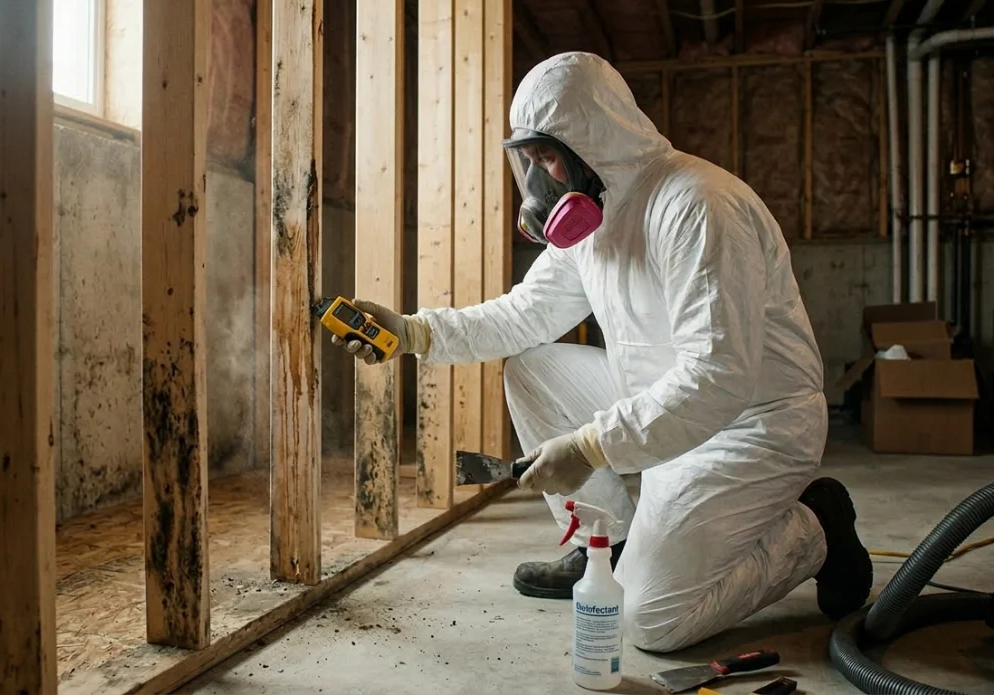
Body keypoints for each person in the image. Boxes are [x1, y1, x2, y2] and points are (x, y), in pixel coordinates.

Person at [333, 51, 873, 653]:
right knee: (534, 368)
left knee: (650, 622)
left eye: (546, 157)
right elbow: (525, 314)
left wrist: (591, 446)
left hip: (753, 425)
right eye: (530, 161)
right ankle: (605, 548)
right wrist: (412, 333)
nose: (539, 182)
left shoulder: (697, 207)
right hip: (664, 404)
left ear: (593, 138)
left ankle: (817, 525)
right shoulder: (591, 223)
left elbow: (719, 376)